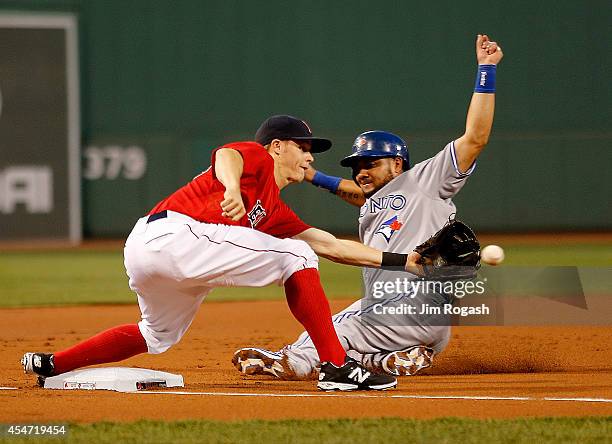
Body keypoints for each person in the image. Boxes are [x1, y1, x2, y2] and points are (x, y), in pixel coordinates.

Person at [21, 114, 431, 391]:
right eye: (303, 146)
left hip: (153, 251)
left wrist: (407, 261)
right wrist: (233, 189)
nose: (309, 156)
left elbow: (332, 246)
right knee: (296, 256)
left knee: (156, 334)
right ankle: (337, 366)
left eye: (312, 151)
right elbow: (227, 156)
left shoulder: (274, 208)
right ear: (276, 147)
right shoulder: (253, 158)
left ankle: (51, 365)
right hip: (175, 235)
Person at [233, 34, 503, 380]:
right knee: (352, 341)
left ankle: (290, 361)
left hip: (412, 305)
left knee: (334, 329)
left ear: (397, 164)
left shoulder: (426, 180)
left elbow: (475, 138)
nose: (361, 171)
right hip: (399, 314)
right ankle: (393, 360)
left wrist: (486, 70)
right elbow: (357, 192)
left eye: (371, 163)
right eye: (357, 165)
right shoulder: (376, 199)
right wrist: (315, 176)